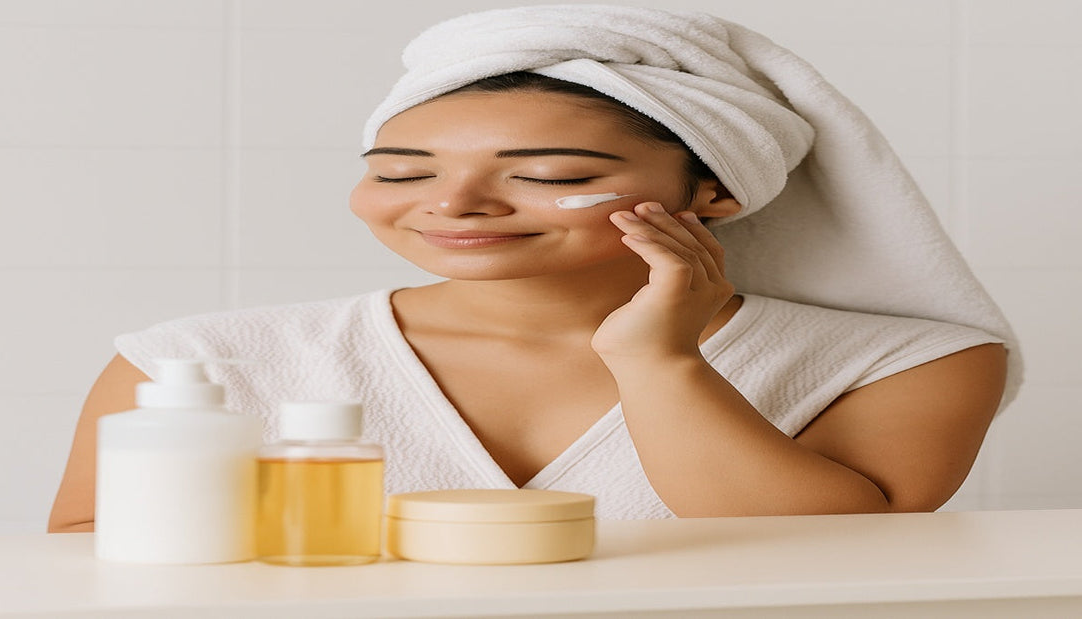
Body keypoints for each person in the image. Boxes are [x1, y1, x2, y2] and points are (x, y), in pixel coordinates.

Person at [49, 5, 1016, 531]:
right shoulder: (195, 363)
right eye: (401, 171)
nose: (453, 205)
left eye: (550, 174)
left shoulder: (907, 361)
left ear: (715, 191)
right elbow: (86, 586)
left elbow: (828, 566)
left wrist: (660, 363)